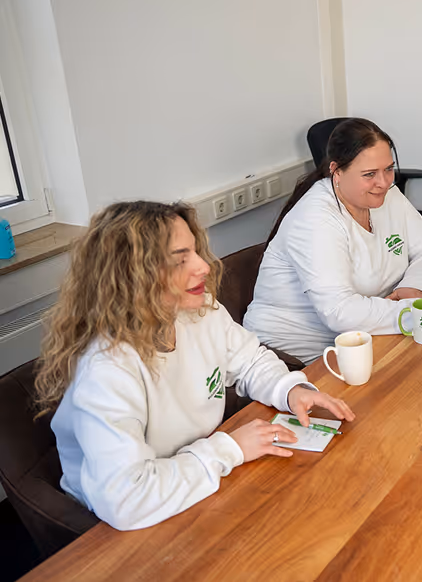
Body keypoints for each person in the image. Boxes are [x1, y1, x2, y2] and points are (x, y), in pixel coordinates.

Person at [35, 201, 355, 531]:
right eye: (181, 259)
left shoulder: (200, 311)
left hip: (195, 473)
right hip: (117, 524)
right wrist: (230, 448)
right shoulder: (108, 368)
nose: (204, 265)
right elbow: (126, 500)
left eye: (196, 251)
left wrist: (290, 390)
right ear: (134, 276)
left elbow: (250, 361)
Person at [244, 118, 422, 363]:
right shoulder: (315, 219)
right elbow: (340, 312)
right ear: (336, 171)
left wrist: (413, 288)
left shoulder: (387, 196)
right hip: (298, 356)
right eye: (369, 174)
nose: (384, 183)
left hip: (368, 336)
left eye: (389, 169)